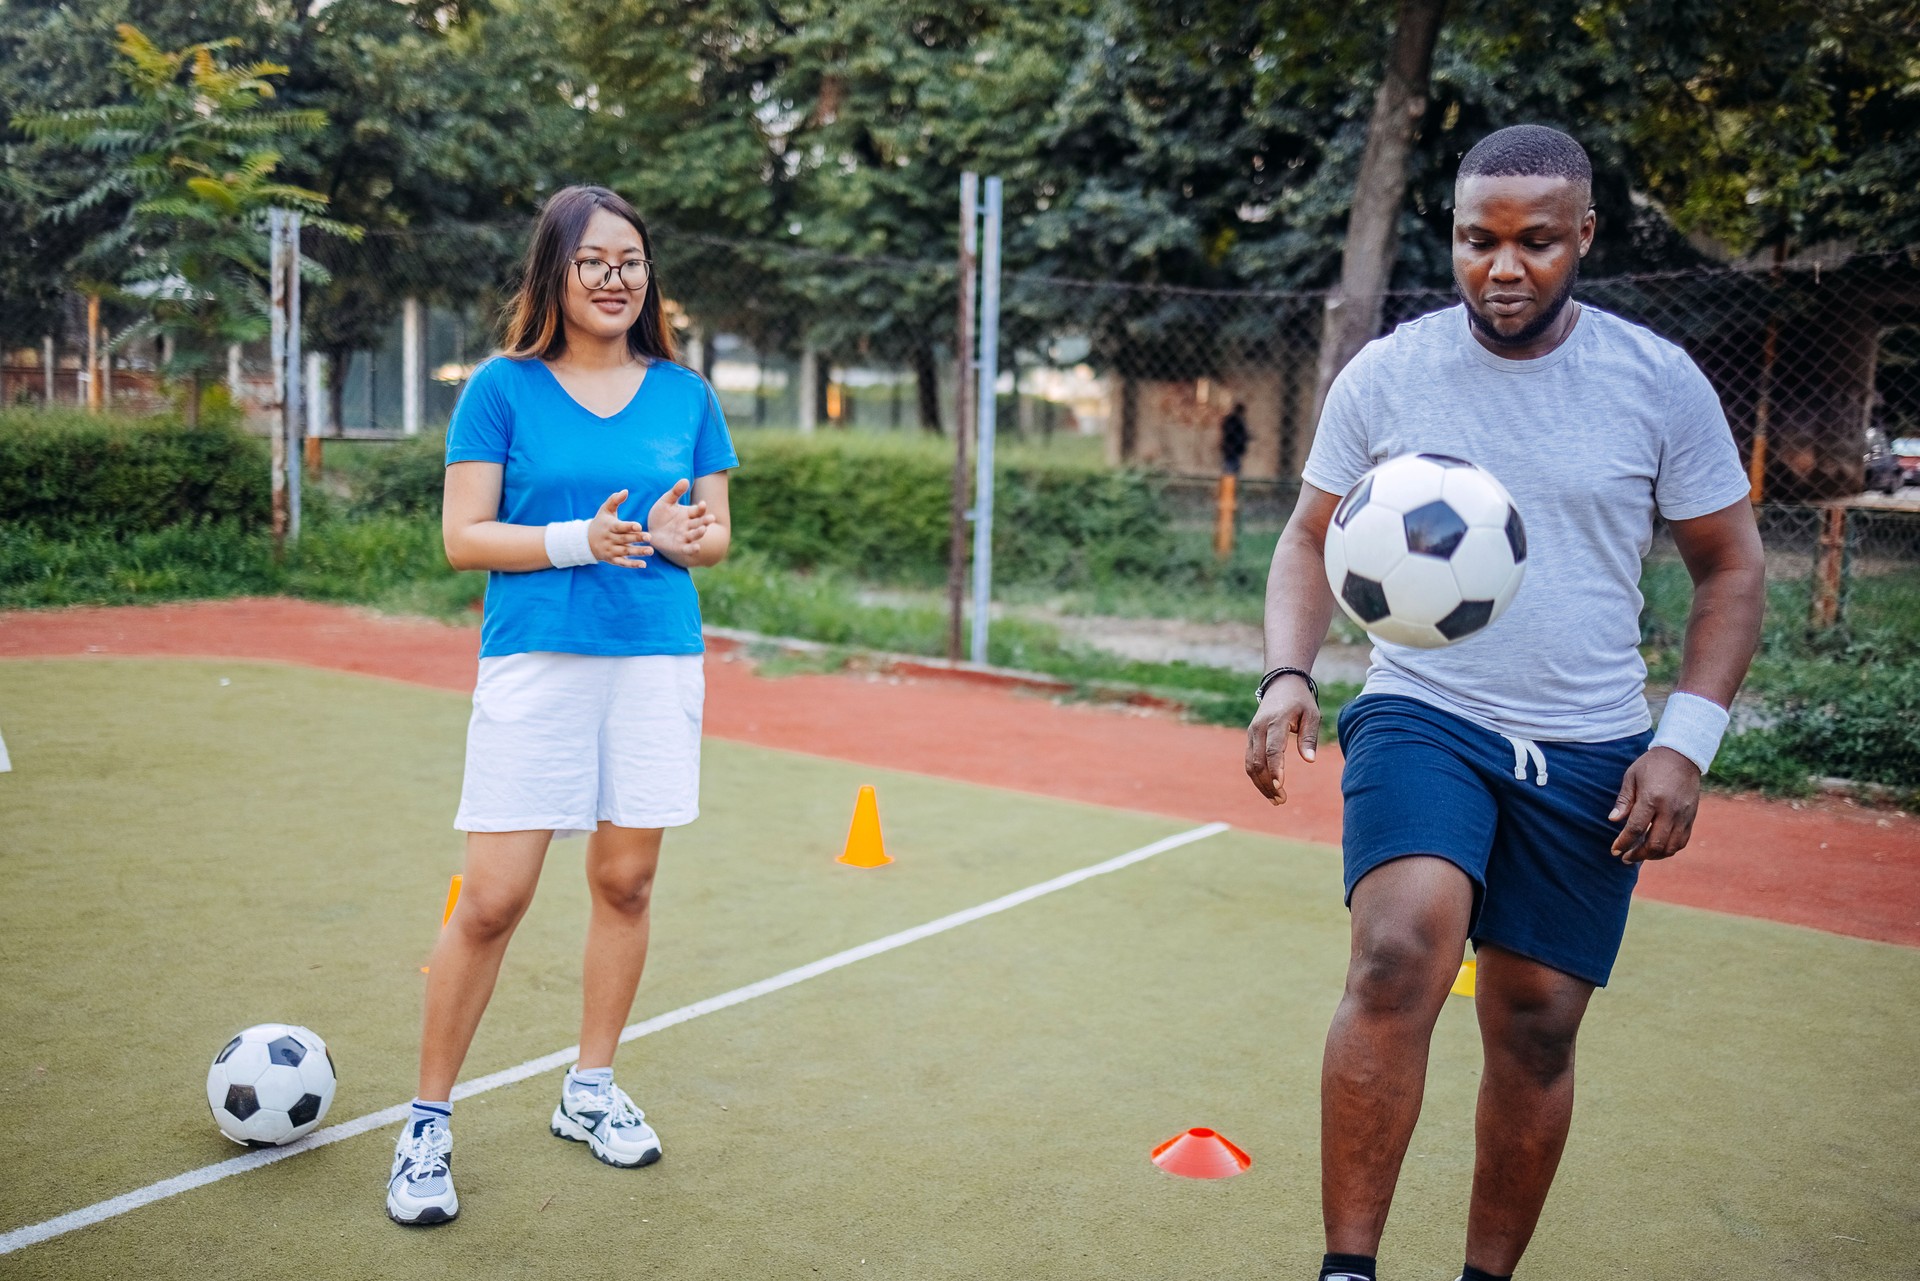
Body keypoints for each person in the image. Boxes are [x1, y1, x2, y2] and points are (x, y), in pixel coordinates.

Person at [1244, 125, 1764, 1281]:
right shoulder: (1390, 372)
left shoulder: (1656, 382)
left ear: (1583, 235)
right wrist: (1288, 673)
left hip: (1591, 744)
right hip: (1425, 709)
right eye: (1480, 240)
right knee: (1396, 950)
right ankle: (1348, 1272)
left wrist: (1685, 742)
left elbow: (1730, 567)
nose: (1505, 266)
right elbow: (1307, 539)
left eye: (1536, 240)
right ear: (1456, 239)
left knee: (1535, 1025)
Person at [385, 185, 738, 1226]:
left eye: (631, 260)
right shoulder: (500, 388)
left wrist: (682, 537)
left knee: (625, 885)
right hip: (537, 663)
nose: (617, 277)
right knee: (492, 899)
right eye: (595, 262)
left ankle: (588, 1090)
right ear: (556, 272)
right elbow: (464, 537)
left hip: (655, 660)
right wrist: (580, 536)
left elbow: (713, 532)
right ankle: (427, 1124)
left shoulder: (685, 394)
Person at [1220, 401, 1250, 474]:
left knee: (1234, 469)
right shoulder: (1233, 420)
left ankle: (1232, 482)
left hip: (1235, 449)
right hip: (1231, 449)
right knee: (1230, 470)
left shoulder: (1239, 420)